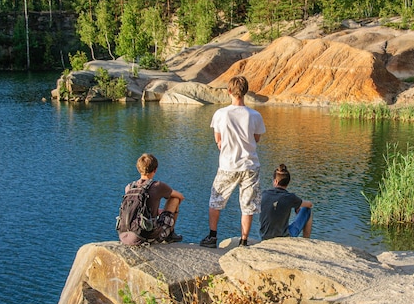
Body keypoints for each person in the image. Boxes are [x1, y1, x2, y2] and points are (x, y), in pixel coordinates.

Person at [200, 75, 266, 248]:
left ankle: (212, 237)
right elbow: (257, 138)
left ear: (229, 91)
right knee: (248, 204)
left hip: (228, 165)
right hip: (250, 165)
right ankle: (244, 240)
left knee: (216, 201)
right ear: (246, 92)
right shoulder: (255, 115)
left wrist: (225, 144)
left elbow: (218, 139)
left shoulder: (221, 114)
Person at [118, 153, 185, 246]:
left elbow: (137, 209)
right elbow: (180, 196)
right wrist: (168, 212)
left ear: (138, 169)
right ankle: (170, 234)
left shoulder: (129, 187)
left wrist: (156, 211)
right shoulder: (158, 186)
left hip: (123, 236)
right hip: (144, 237)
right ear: (155, 169)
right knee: (175, 199)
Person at [259, 164, 313, 240]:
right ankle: (306, 241)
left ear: (275, 181)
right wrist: (298, 205)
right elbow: (310, 204)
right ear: (288, 182)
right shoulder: (290, 197)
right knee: (307, 210)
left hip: (265, 237)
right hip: (284, 238)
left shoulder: (263, 194)